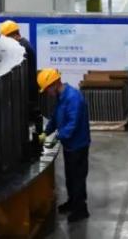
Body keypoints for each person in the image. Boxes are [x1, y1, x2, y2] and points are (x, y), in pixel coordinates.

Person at [39, 68, 91, 224]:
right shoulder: (61, 97)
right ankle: (72, 202)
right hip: (69, 145)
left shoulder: (73, 98)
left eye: (47, 89)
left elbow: (72, 125)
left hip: (78, 145)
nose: (47, 93)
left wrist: (57, 137)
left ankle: (81, 210)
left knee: (78, 178)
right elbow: (56, 117)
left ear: (55, 84)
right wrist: (46, 132)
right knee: (70, 176)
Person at [0, 20, 42, 144]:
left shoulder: (23, 48)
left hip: (27, 90)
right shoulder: (24, 44)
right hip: (28, 89)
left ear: (13, 35)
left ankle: (35, 143)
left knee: (30, 116)